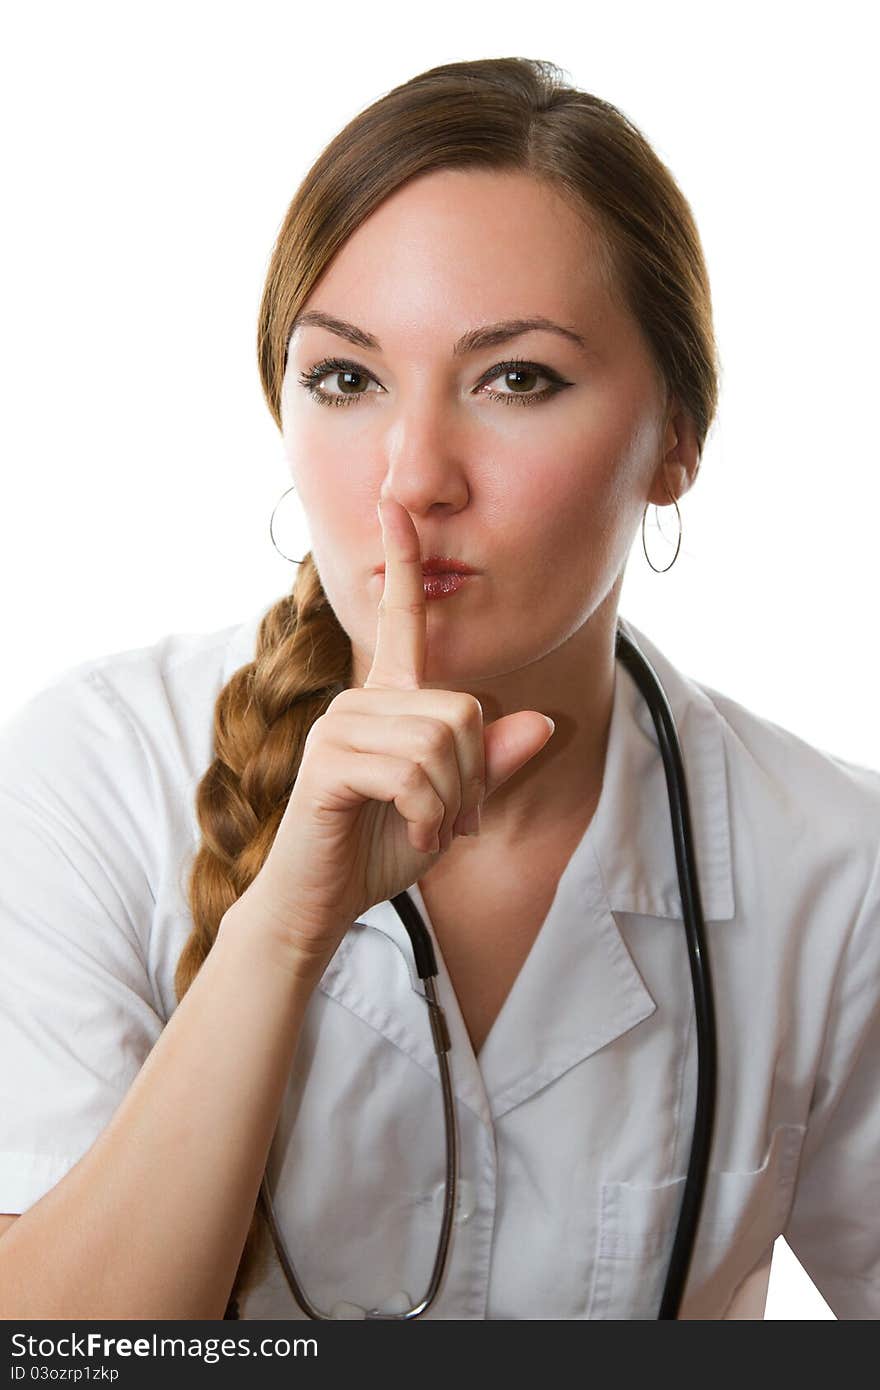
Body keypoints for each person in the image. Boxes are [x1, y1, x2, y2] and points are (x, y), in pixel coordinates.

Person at [0, 55, 878, 1322]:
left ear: (676, 435)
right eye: (345, 380)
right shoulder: (95, 771)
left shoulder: (832, 870)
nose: (410, 480)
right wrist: (283, 930)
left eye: (515, 378)